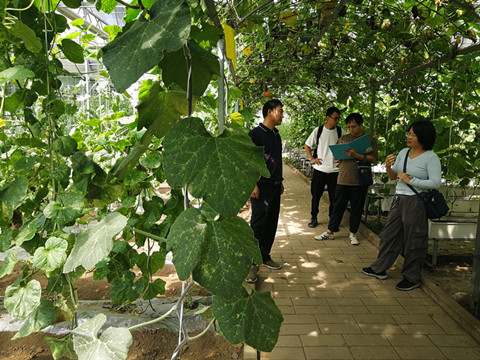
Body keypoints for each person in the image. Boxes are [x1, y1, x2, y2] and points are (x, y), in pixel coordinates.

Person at [362, 120, 441, 291]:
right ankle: (380, 268)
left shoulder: (431, 157)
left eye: (413, 134)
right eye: (409, 133)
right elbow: (393, 176)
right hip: (399, 198)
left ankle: (412, 277)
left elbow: (436, 182)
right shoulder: (404, 152)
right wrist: (388, 166)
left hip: (415, 200)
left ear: (424, 137)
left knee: (414, 239)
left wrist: (412, 180)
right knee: (389, 234)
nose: (409, 136)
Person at [315, 112, 378, 245]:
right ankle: (330, 231)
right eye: (348, 127)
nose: (351, 129)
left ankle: (353, 234)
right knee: (338, 206)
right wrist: (337, 155)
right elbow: (335, 157)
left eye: (354, 126)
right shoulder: (343, 138)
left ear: (361, 125)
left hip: (360, 180)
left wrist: (356, 155)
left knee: (357, 207)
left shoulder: (369, 140)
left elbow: (373, 159)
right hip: (343, 178)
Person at [246, 99, 285, 283]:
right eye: (280, 111)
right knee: (258, 223)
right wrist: (253, 184)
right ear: (269, 112)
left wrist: (281, 180)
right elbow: (248, 161)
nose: (282, 115)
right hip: (261, 186)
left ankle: (264, 256)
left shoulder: (276, 134)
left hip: (275, 185)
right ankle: (252, 264)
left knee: (271, 222)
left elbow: (277, 159)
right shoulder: (255, 134)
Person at [304, 106, 343, 228]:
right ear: (328, 118)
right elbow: (307, 145)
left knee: (334, 197)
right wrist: (312, 159)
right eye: (335, 118)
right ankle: (313, 217)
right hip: (319, 169)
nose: (336, 121)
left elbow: (345, 148)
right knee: (316, 195)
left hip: (335, 170)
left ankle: (333, 220)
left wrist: (341, 160)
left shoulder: (340, 132)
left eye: (338, 119)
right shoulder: (319, 130)